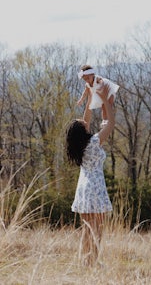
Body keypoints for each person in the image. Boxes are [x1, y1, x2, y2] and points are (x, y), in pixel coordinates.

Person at [66, 84, 115, 266]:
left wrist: (89, 98)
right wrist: (104, 100)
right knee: (97, 228)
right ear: (83, 131)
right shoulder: (94, 142)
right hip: (95, 187)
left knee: (87, 228)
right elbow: (111, 123)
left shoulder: (80, 146)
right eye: (82, 123)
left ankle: (85, 260)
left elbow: (86, 119)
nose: (84, 121)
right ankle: (93, 261)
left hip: (83, 187)